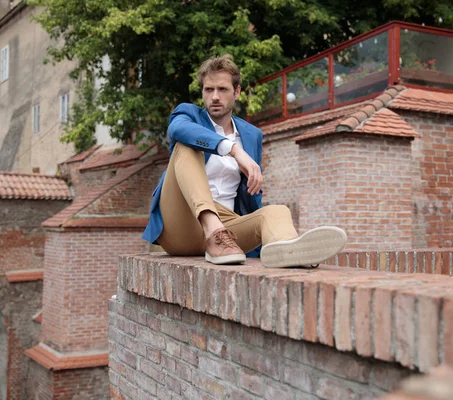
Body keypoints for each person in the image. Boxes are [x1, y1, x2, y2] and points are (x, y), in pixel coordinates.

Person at [142, 55, 347, 267]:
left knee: (276, 211)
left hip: (227, 229)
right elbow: (178, 130)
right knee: (187, 144)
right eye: (208, 90)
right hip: (181, 222)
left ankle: (287, 251)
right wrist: (233, 149)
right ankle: (212, 230)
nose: (214, 97)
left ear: (237, 92)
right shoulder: (188, 115)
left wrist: (259, 240)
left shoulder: (251, 135)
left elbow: (252, 193)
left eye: (222, 89)